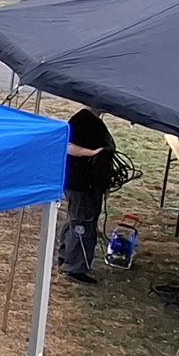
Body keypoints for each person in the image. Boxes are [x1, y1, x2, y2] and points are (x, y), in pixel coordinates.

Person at [61, 106, 116, 284]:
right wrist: (91, 153)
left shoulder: (88, 121)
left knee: (76, 219)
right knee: (82, 223)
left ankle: (65, 256)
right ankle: (74, 268)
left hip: (86, 185)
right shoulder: (82, 121)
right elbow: (66, 146)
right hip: (81, 185)